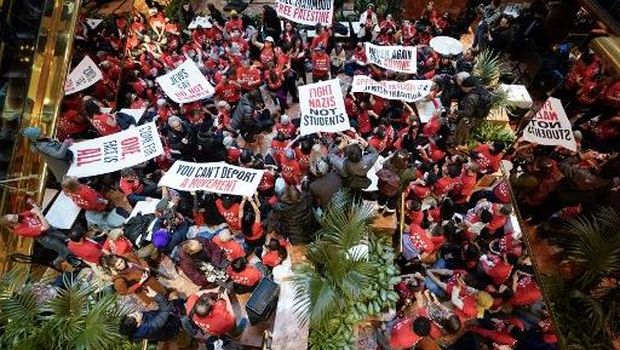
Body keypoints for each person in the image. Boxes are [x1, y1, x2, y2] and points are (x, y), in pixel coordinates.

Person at [0, 199, 69, 264]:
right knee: (63, 249)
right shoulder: (21, 230)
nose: (16, 216)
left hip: (48, 229)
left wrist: (33, 204)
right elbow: (45, 227)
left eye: (14, 215)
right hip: (44, 238)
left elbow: (35, 210)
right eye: (14, 218)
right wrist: (39, 214)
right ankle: (56, 262)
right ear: (11, 224)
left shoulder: (20, 216)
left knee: (65, 238)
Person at [452, 76, 493, 146]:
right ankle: (464, 141)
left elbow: (467, 113)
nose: (462, 89)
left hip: (468, 119)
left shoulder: (471, 97)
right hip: (476, 117)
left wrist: (456, 111)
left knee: (460, 131)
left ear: (468, 87)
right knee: (466, 131)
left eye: (463, 87)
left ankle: (456, 144)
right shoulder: (481, 90)